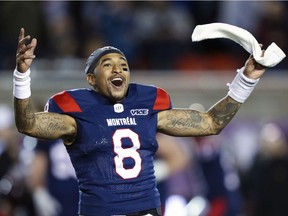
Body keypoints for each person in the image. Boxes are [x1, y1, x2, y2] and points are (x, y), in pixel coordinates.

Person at [13, 27, 266, 216]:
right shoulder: (79, 113)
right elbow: (28, 124)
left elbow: (212, 123)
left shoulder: (146, 107)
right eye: (108, 65)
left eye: (123, 65)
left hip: (146, 210)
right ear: (91, 79)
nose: (118, 70)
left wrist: (247, 79)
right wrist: (21, 76)